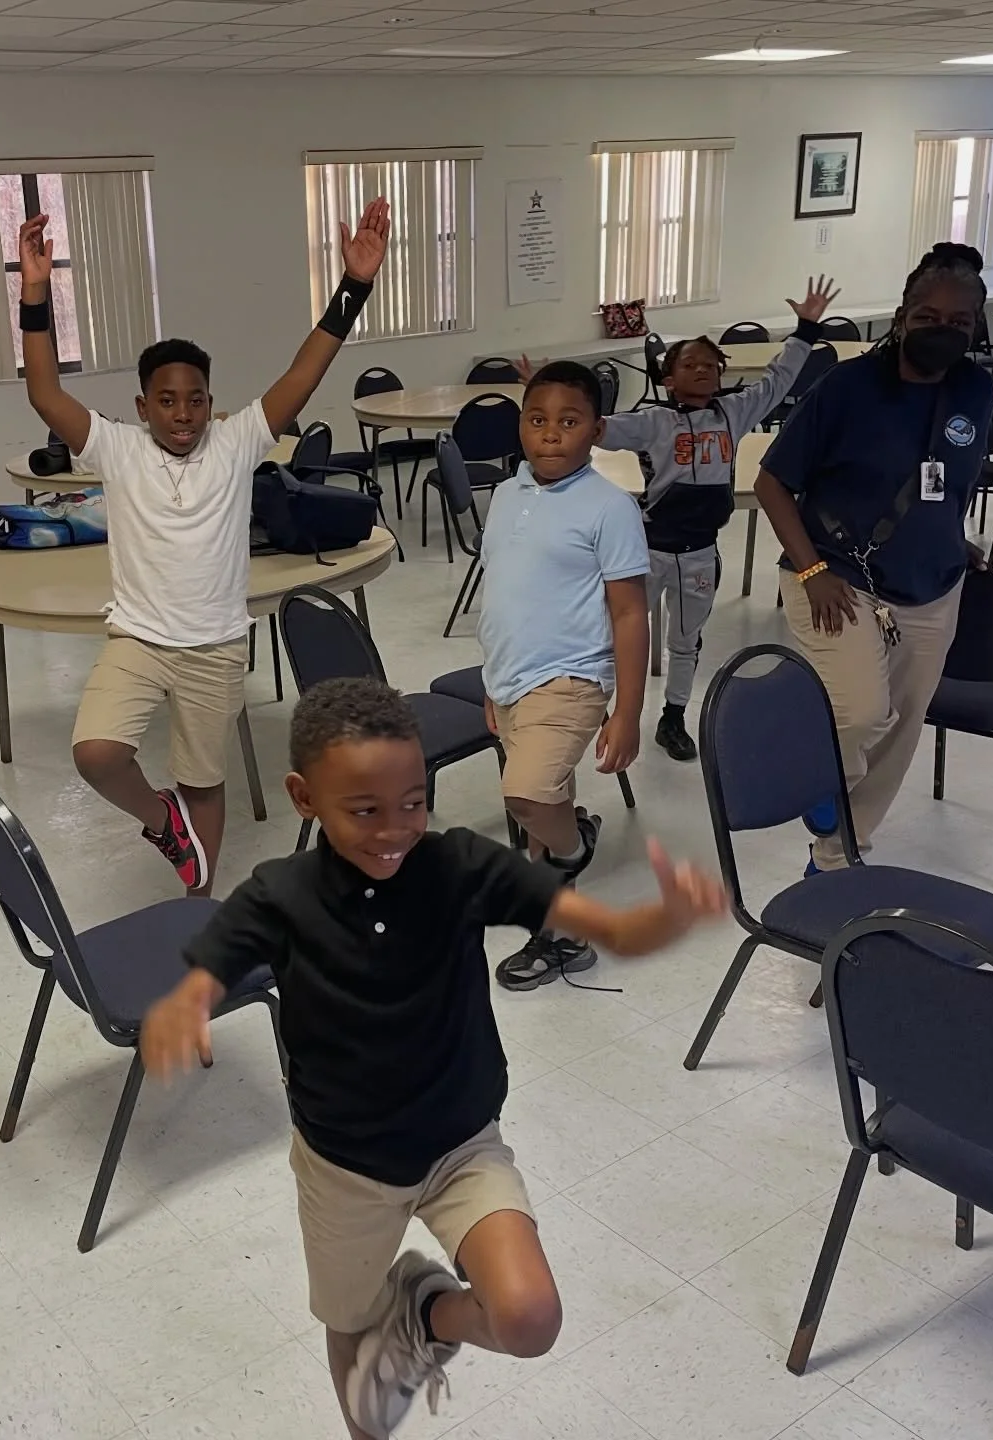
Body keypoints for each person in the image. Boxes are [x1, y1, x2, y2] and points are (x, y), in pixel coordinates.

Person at [140, 676, 728, 1440]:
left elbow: (607, 930)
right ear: (303, 796)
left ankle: (423, 1309)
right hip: (345, 1162)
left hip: (461, 1146)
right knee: (354, 1347)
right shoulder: (277, 896)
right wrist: (184, 1007)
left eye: (413, 801)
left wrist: (667, 917)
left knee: (529, 1318)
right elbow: (207, 973)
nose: (395, 828)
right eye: (365, 810)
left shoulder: (458, 865)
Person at [16, 201, 390, 897]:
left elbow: (303, 374)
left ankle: (198, 898)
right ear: (141, 406)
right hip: (139, 639)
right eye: (166, 401)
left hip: (215, 645)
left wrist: (355, 287)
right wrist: (34, 293)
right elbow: (44, 392)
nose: (182, 414)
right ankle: (162, 820)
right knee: (97, 752)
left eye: (194, 400)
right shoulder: (117, 450)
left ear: (210, 402)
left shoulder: (238, 440)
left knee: (203, 779)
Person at [754, 243, 993, 873]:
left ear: (976, 325)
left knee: (903, 726)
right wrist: (810, 571)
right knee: (862, 711)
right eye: (928, 318)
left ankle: (837, 858)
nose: (943, 332)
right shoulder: (849, 387)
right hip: (834, 572)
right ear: (901, 315)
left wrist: (947, 533)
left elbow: (948, 475)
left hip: (933, 583)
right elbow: (772, 483)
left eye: (960, 323)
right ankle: (816, 780)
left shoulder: (976, 389)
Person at [575, 277, 841, 761]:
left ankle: (673, 717)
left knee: (686, 640)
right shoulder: (653, 422)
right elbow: (596, 430)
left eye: (709, 364)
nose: (701, 370)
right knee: (618, 634)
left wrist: (805, 329)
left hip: (699, 555)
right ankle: (608, 709)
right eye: (689, 364)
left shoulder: (734, 413)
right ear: (668, 379)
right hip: (648, 552)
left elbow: (778, 381)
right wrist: (555, 406)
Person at [475, 361, 650, 990]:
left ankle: (576, 845)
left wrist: (627, 711)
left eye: (569, 422)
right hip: (510, 679)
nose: (550, 434)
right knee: (540, 811)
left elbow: (629, 614)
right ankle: (563, 939)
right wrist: (494, 685)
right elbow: (503, 593)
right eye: (537, 419)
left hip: (571, 678)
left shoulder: (609, 508)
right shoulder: (505, 495)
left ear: (597, 430)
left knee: (526, 797)